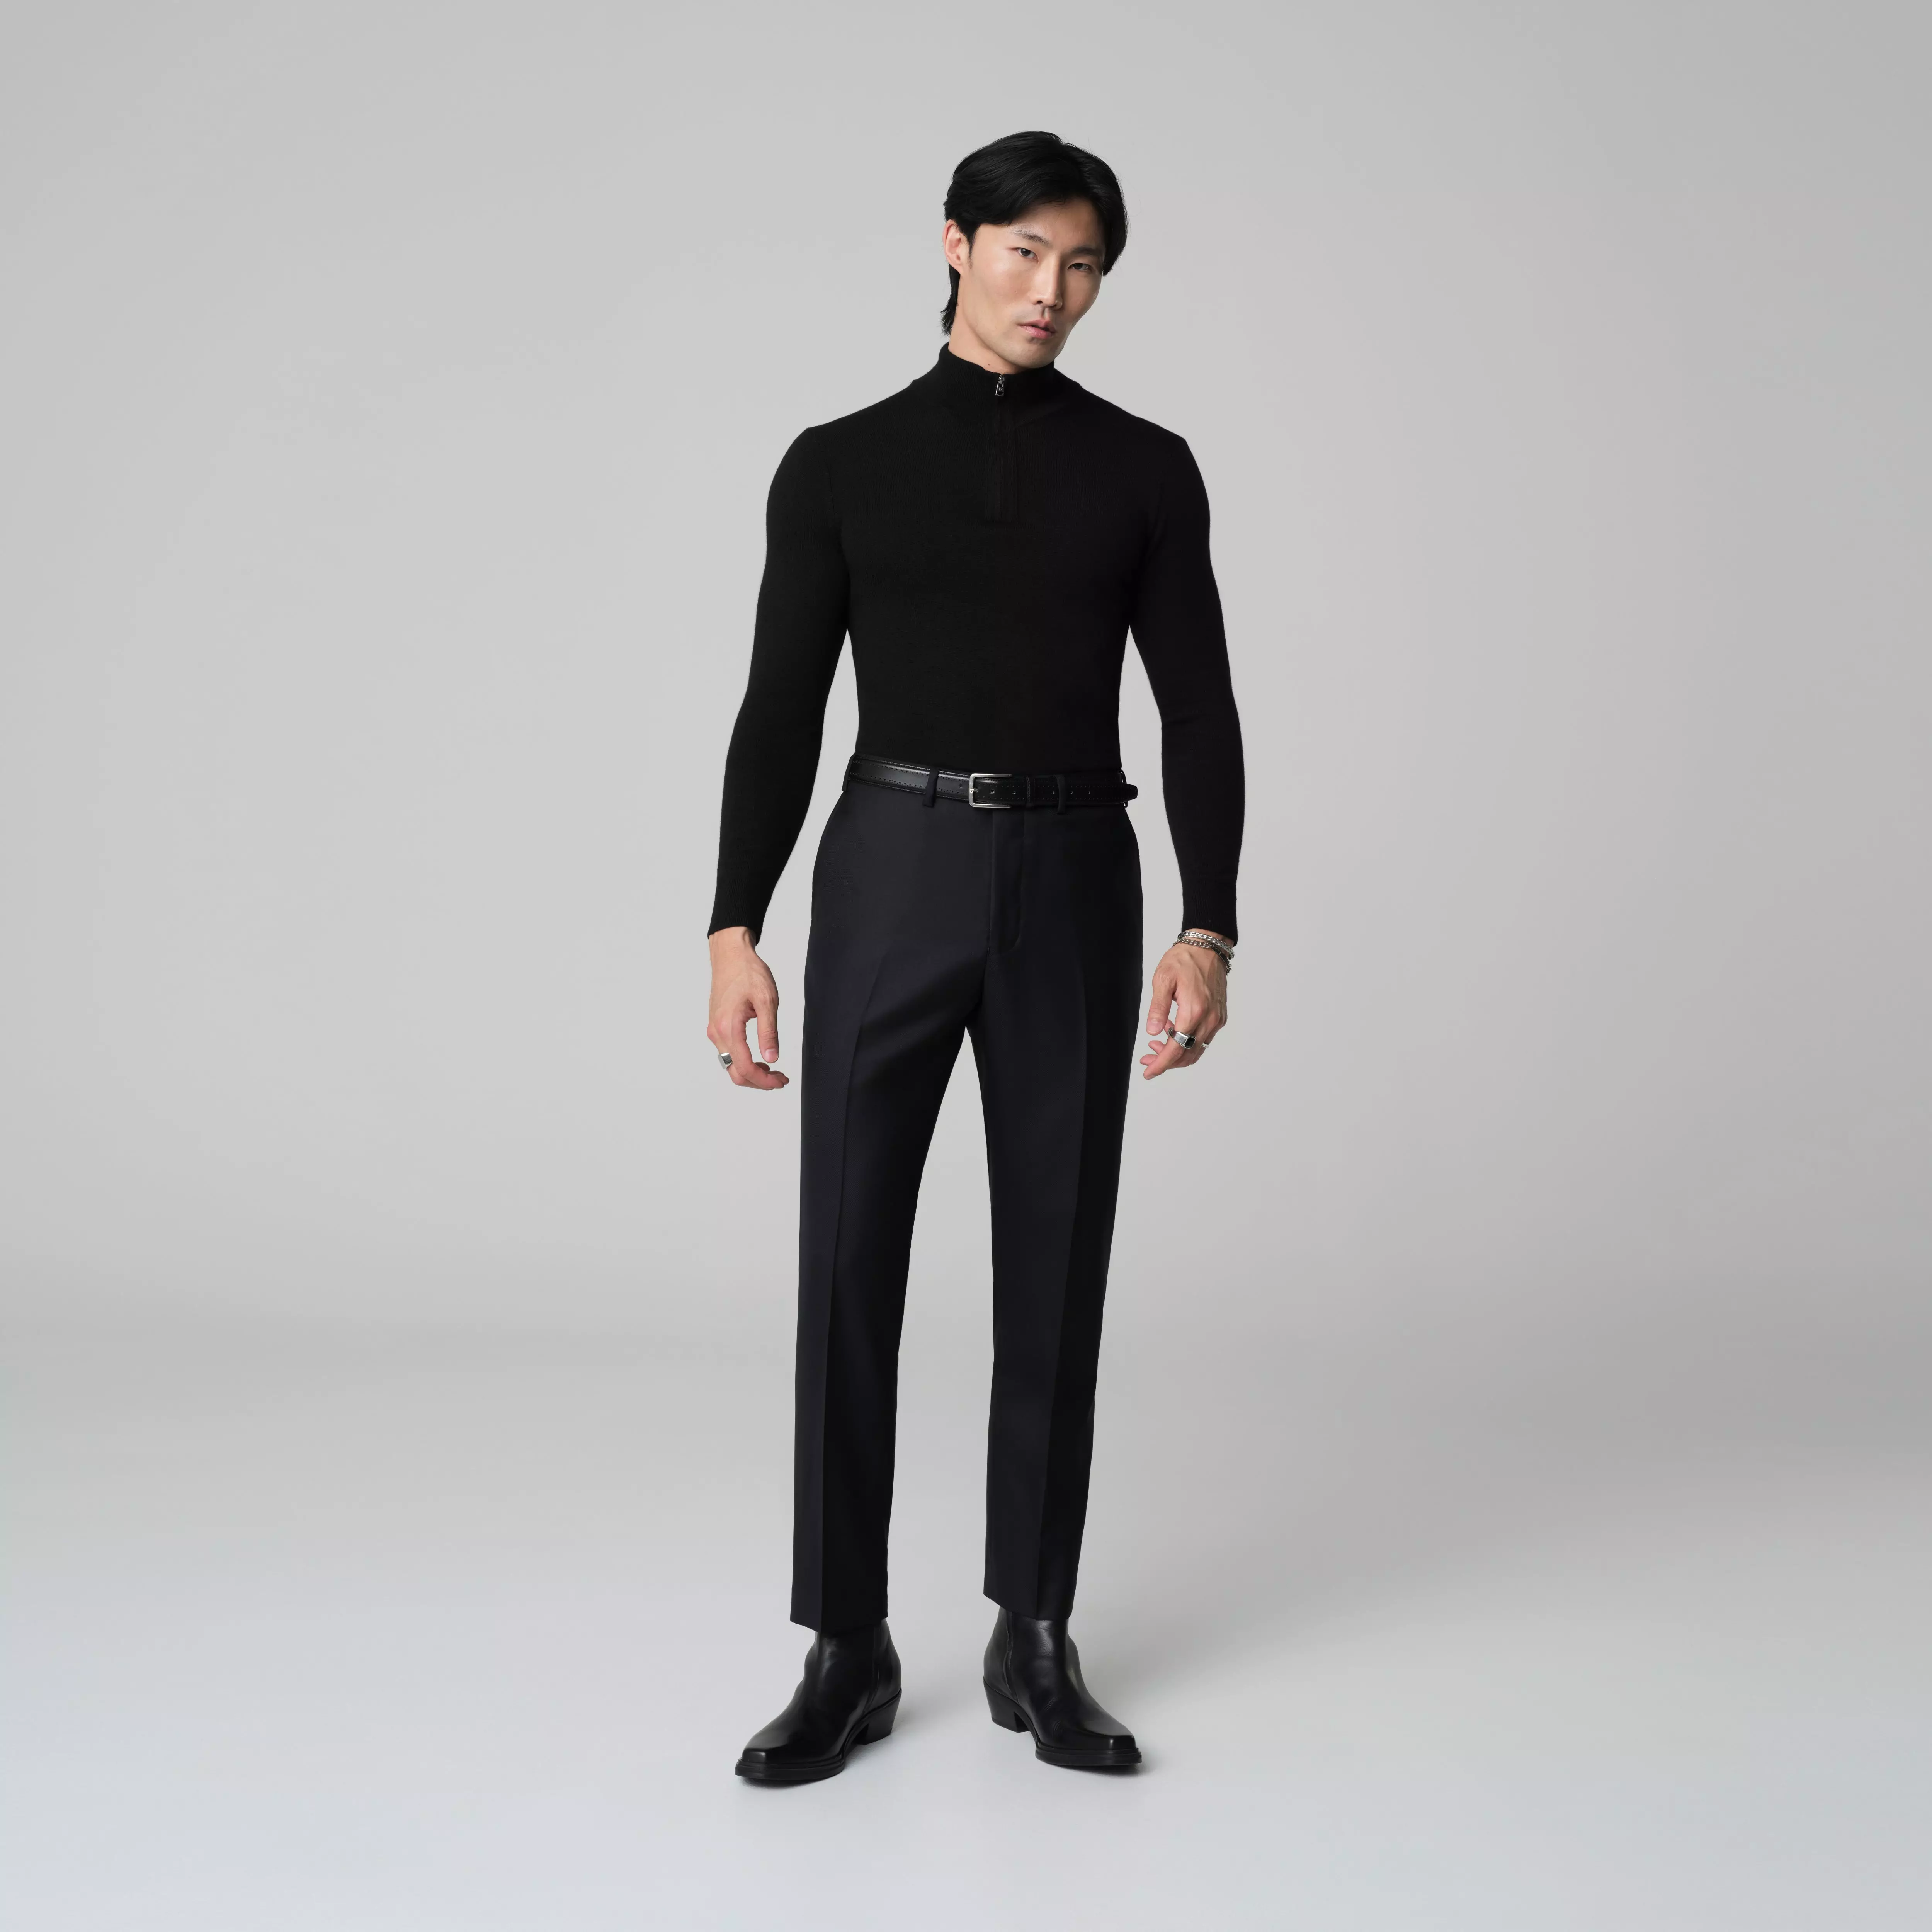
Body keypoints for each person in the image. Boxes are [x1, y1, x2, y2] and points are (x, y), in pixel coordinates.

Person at [706, 129, 1244, 1782]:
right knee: (847, 1259)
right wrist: (733, 922)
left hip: (1075, 868)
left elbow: (1200, 707)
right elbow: (780, 707)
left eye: (1082, 267)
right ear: (955, 243)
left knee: (1056, 1260)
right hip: (892, 861)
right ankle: (844, 1643)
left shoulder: (1146, 470)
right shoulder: (839, 464)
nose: (1050, 292)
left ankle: (1034, 1631)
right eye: (1024, 253)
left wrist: (1208, 920)